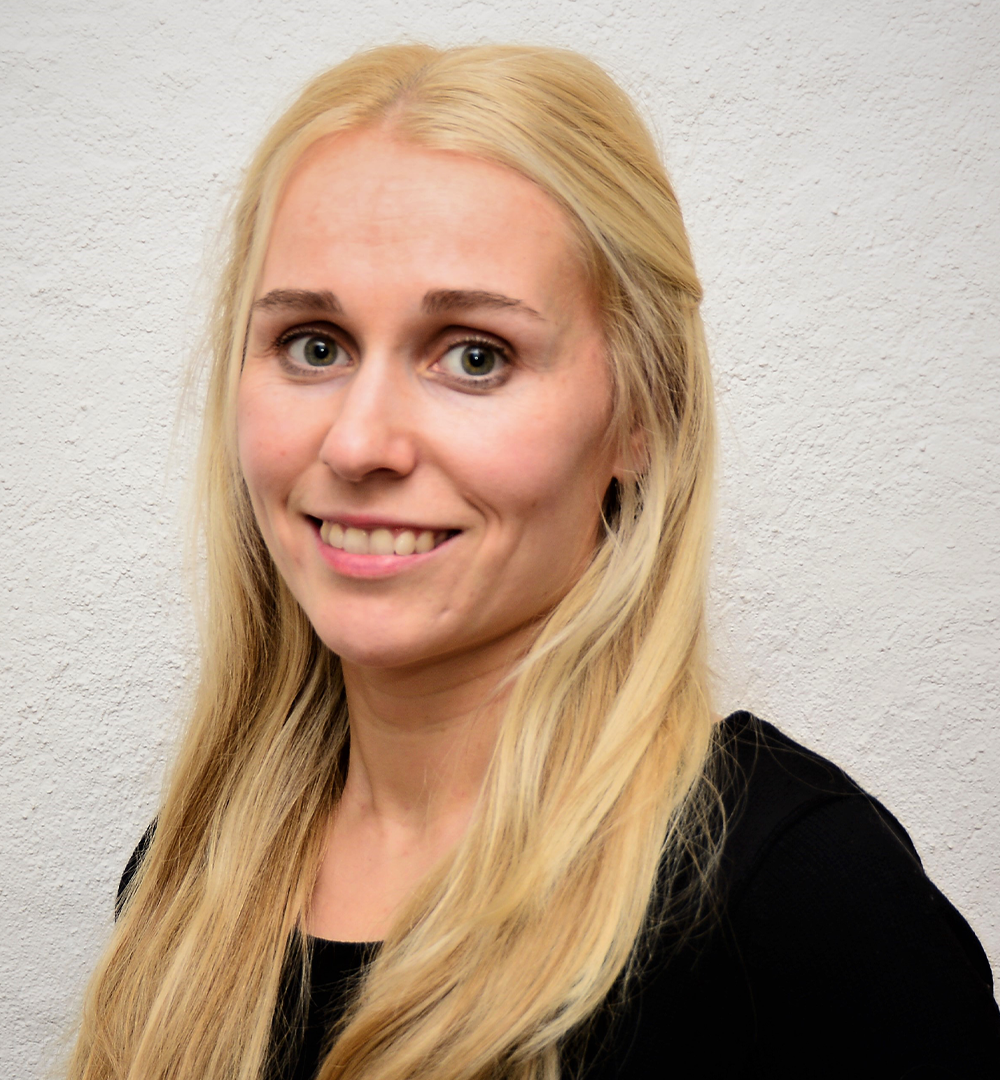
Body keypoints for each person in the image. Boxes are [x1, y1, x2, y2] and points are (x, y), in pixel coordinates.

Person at [65, 44, 1000, 1080]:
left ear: (643, 414)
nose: (359, 444)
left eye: (476, 356)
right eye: (314, 345)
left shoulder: (798, 900)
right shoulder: (193, 883)